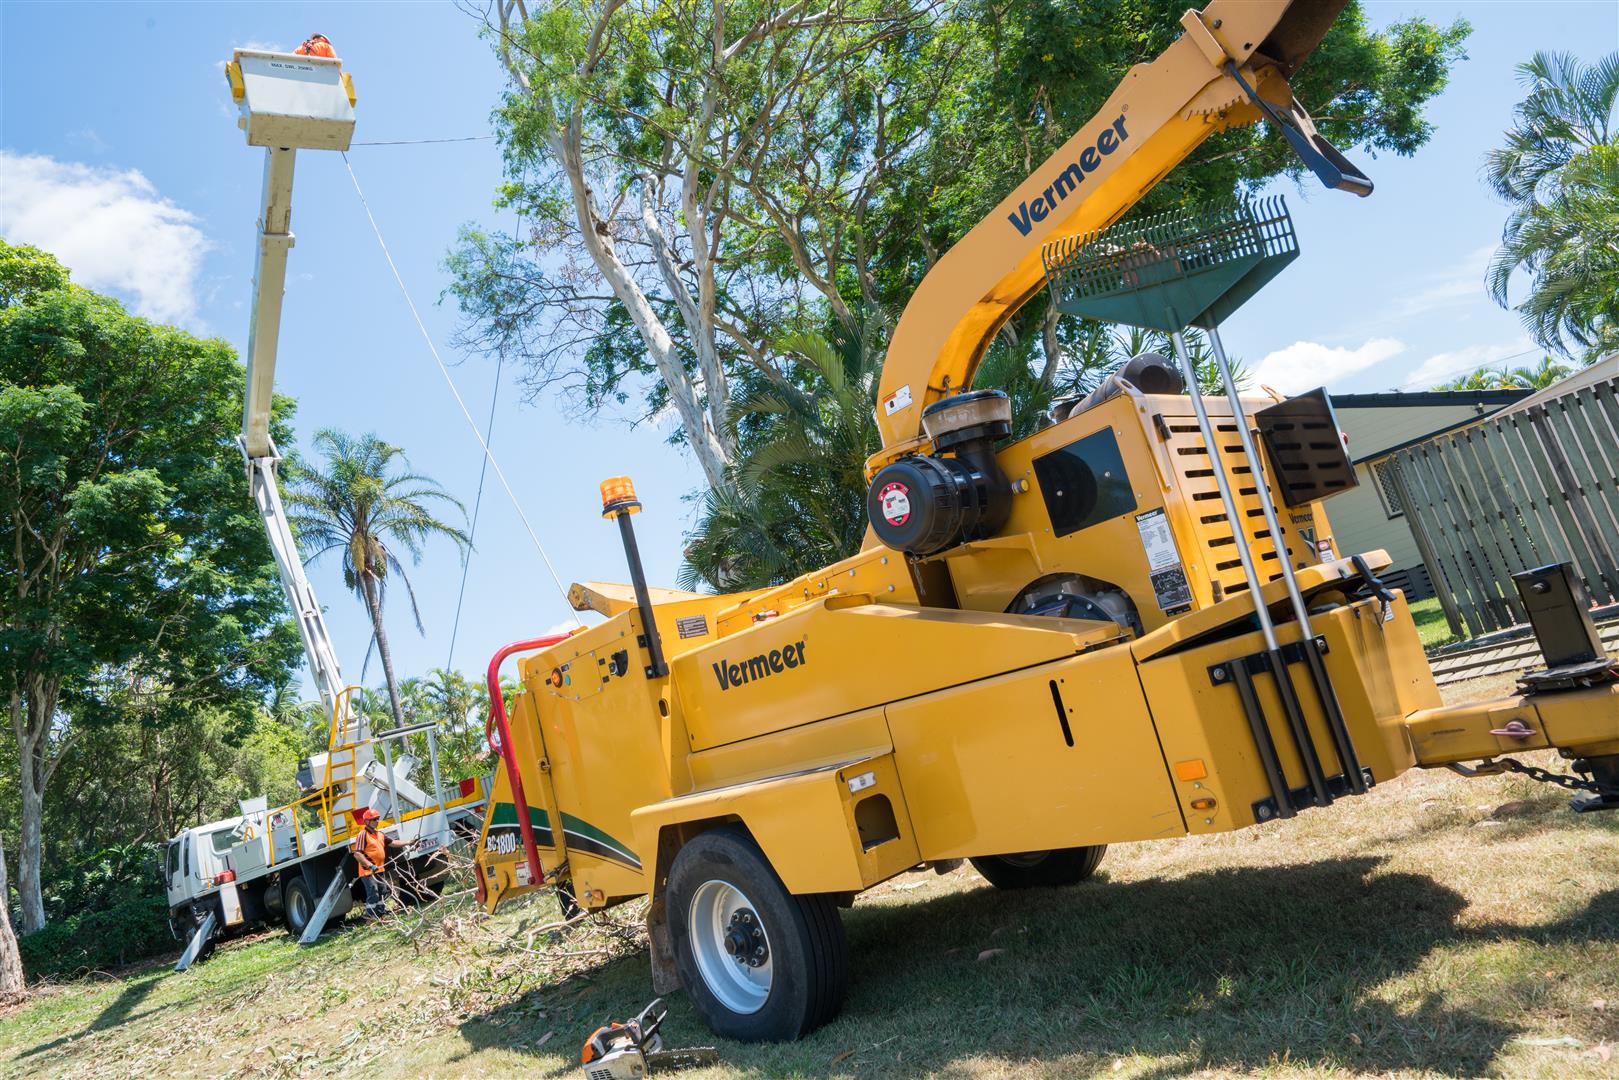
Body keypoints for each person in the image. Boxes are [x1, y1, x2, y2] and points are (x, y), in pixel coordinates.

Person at [351, 808, 405, 917]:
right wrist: (370, 865)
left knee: (382, 891)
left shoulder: (379, 834)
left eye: (377, 819)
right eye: (374, 819)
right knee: (373, 893)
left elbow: (393, 842)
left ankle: (381, 914)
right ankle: (371, 917)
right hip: (368, 872)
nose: (377, 821)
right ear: (367, 821)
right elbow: (357, 854)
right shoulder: (363, 834)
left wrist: (409, 842)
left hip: (380, 869)